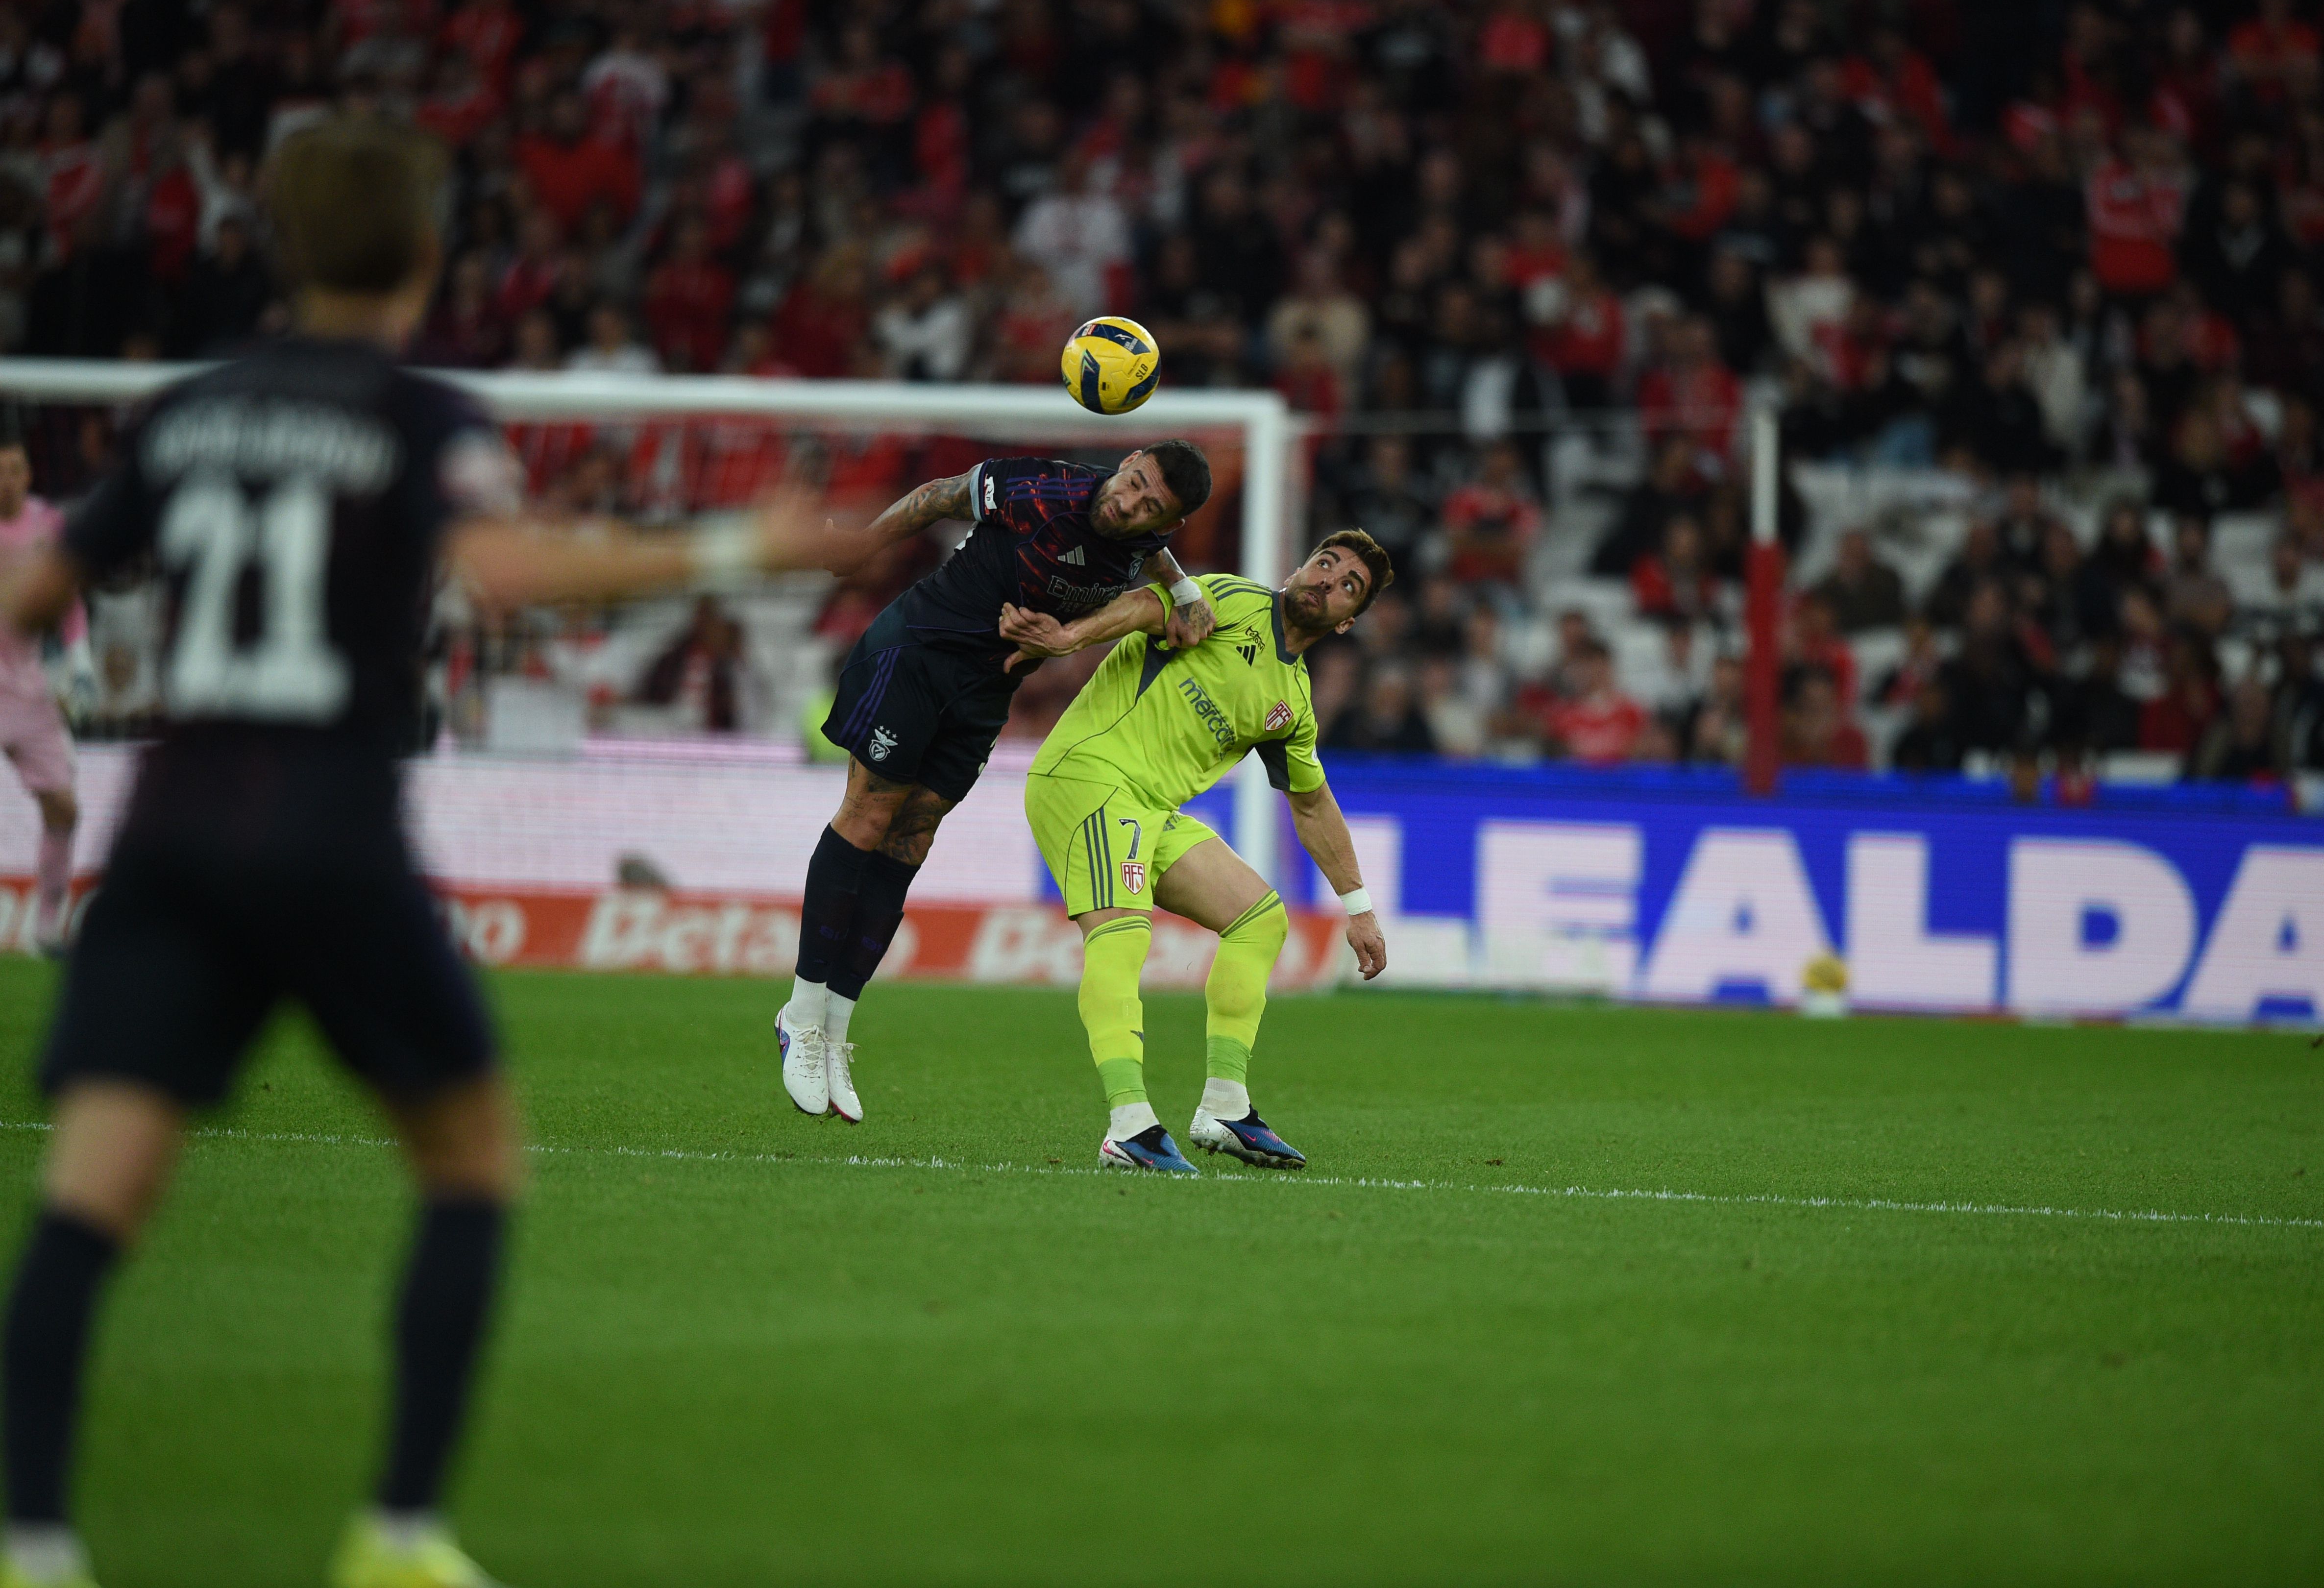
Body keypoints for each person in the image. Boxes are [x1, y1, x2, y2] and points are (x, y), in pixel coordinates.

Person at [0, 117, 852, 1588]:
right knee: (469, 1164)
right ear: (426, 254)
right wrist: (733, 552)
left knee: (90, 1200)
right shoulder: (414, 411)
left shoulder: (191, 407)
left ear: (280, 243)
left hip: (175, 833)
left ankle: (33, 1541)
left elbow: (41, 588)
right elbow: (507, 573)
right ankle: (395, 1532)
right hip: (329, 826)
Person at [774, 442, 1219, 1126]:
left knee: (912, 841)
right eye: (1133, 484)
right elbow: (942, 495)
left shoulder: (1144, 540)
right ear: (1126, 462)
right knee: (869, 817)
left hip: (987, 689)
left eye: (1151, 505)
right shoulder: (1042, 489)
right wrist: (865, 545)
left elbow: (1155, 560)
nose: (1130, 503)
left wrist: (1185, 593)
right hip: (918, 652)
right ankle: (801, 1017)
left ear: (1168, 520)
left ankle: (835, 1028)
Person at [1001, 535, 1392, 1172]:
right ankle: (1129, 1123)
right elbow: (1149, 606)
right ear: (1298, 566)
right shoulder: (1234, 599)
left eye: (1348, 584)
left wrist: (1359, 907)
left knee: (1259, 917)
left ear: (1347, 621)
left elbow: (1314, 804)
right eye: (1325, 563)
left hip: (1151, 808)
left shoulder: (1291, 702)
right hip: (1090, 777)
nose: (1328, 580)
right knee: (1122, 934)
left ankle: (1225, 1106)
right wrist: (1070, 640)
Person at [0, 441, 91, 953]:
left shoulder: (47, 523)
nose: (7, 481)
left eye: (15, 470)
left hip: (28, 688)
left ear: (28, 472)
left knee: (64, 808)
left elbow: (69, 598)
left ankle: (46, 926)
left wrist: (81, 665)